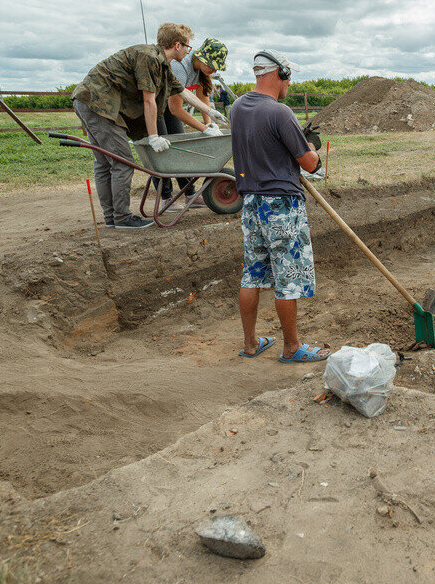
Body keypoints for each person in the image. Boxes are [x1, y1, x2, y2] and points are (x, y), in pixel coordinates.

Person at [71, 23, 221, 229]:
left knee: (105, 163)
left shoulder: (161, 62)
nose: (189, 51)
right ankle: (122, 218)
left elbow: (181, 92)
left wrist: (210, 112)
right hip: (98, 104)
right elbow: (149, 101)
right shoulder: (150, 58)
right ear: (177, 45)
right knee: (121, 161)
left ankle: (112, 218)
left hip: (90, 100)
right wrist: (153, 137)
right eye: (188, 46)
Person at [230, 50, 329, 363]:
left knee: (252, 273)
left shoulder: (237, 108)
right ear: (281, 74)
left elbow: (265, 147)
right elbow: (310, 163)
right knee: (288, 277)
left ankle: (250, 343)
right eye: (289, 76)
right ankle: (291, 348)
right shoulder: (280, 112)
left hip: (250, 203)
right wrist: (309, 143)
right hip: (282, 206)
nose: (290, 82)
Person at [155, 37, 231, 208]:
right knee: (162, 151)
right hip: (156, 107)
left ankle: (190, 194)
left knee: (181, 148)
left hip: (171, 107)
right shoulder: (180, 67)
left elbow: (202, 97)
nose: (213, 69)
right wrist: (204, 129)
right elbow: (175, 109)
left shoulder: (201, 72)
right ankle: (166, 198)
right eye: (211, 65)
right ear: (201, 57)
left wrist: (210, 123)